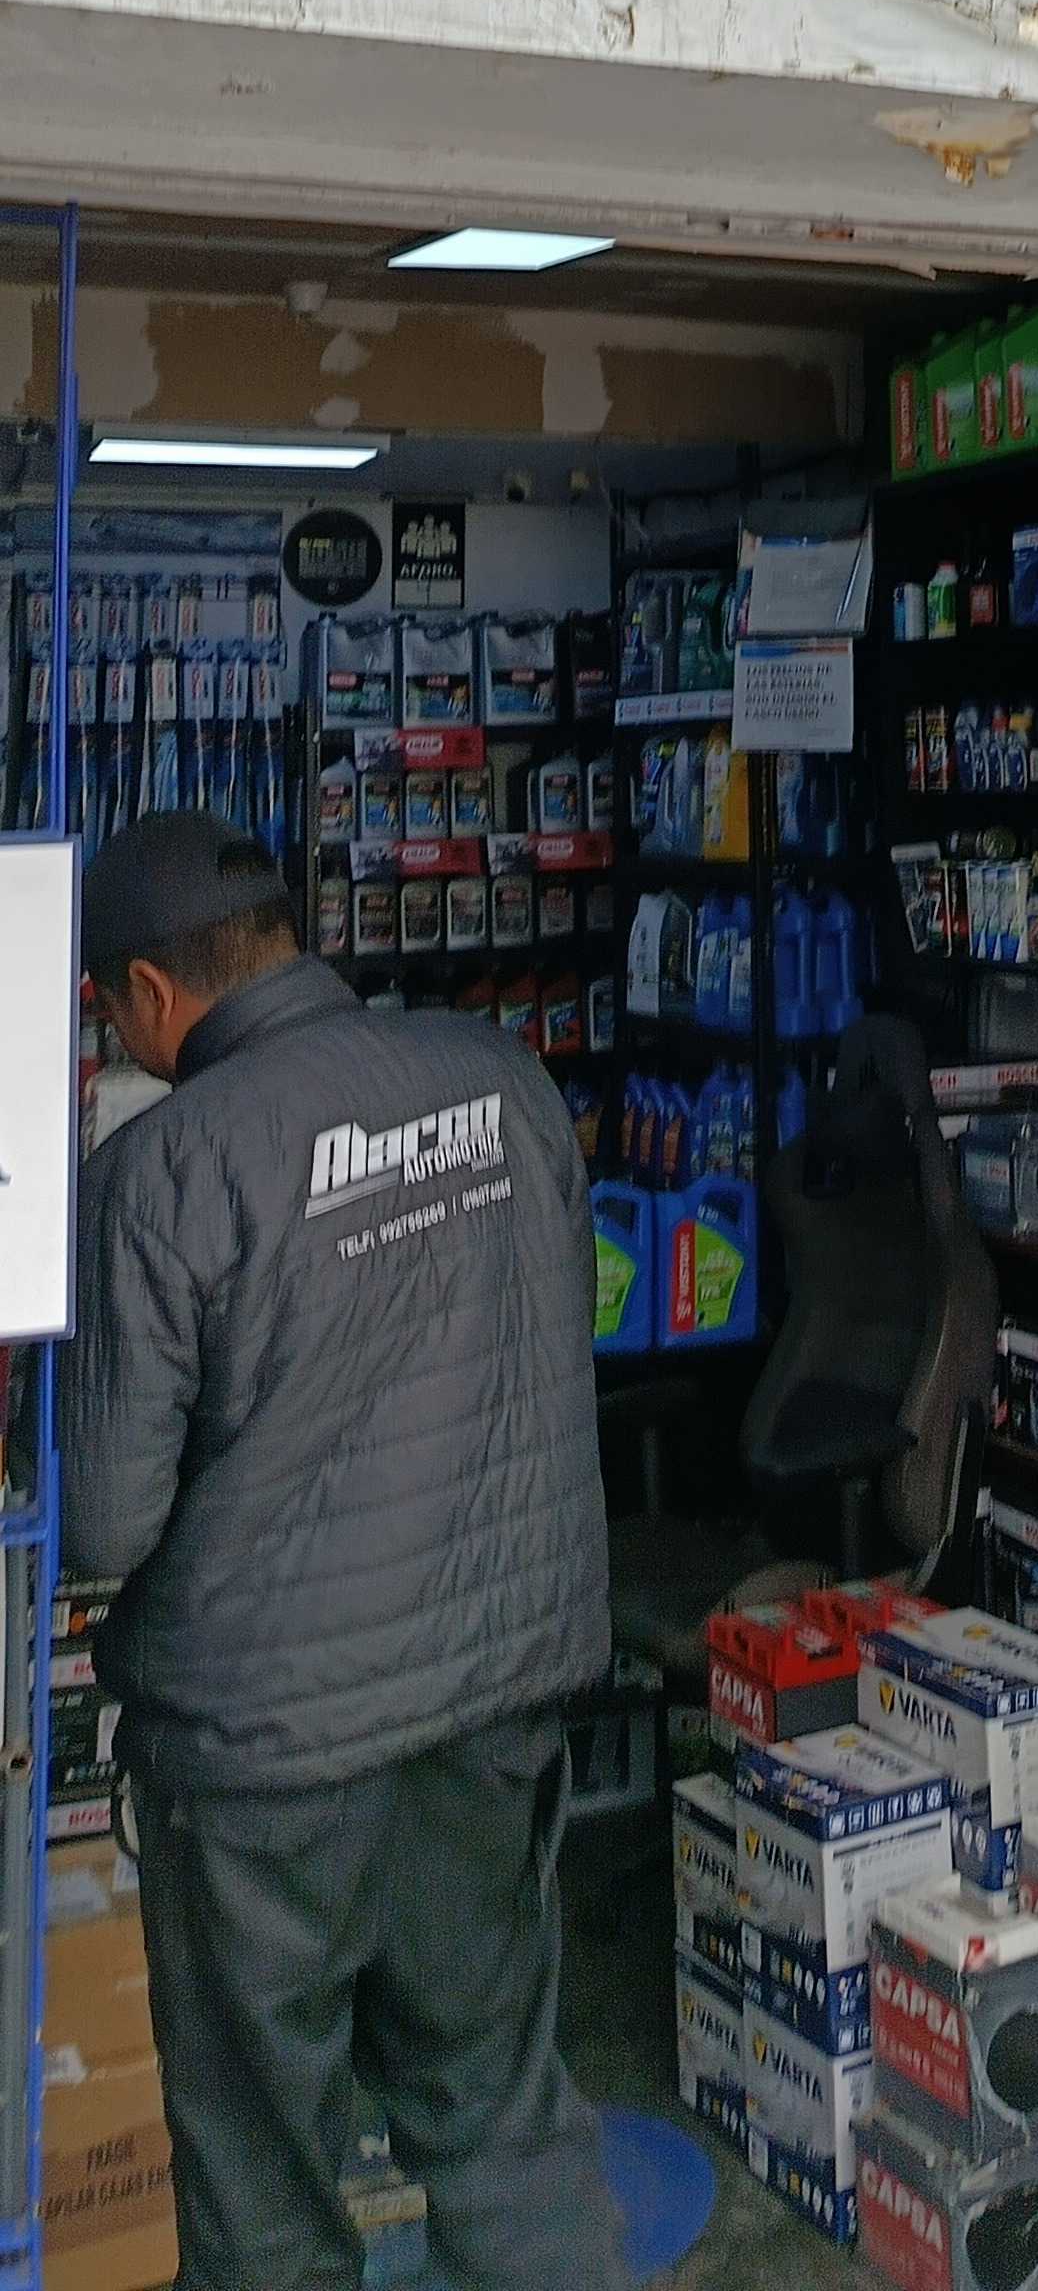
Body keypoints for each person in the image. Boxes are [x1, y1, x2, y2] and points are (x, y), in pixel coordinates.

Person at [59, 810, 626, 2291]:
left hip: (265, 1763)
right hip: (494, 1707)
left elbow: (106, 1522)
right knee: (502, 2127)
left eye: (109, 1013)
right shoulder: (506, 1085)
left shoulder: (161, 1173)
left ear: (150, 994)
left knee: (265, 2193)